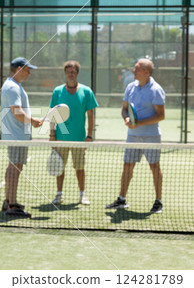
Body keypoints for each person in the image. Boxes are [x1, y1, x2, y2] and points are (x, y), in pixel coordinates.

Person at [106, 58, 165, 214]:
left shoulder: (156, 89)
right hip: (132, 136)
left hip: (151, 136)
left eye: (137, 68)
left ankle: (158, 202)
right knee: (127, 166)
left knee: (154, 167)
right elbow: (124, 109)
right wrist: (126, 118)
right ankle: (121, 199)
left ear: (146, 72)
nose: (133, 70)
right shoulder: (130, 87)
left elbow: (160, 115)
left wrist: (139, 123)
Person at [49, 61, 98, 205]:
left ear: (77, 73)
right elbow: (53, 114)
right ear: (65, 73)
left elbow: (90, 115)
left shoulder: (86, 91)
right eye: (69, 71)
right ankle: (59, 194)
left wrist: (89, 136)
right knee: (59, 168)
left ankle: (82, 194)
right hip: (61, 137)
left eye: (73, 71)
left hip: (79, 138)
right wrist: (52, 135)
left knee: (80, 168)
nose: (71, 74)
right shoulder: (57, 91)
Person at [0, 57, 43, 218]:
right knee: (15, 168)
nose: (29, 73)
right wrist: (33, 121)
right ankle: (12, 205)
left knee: (14, 167)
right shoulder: (12, 87)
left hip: (17, 135)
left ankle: (9, 201)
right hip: (16, 135)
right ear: (18, 69)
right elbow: (16, 112)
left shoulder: (13, 85)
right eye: (27, 69)